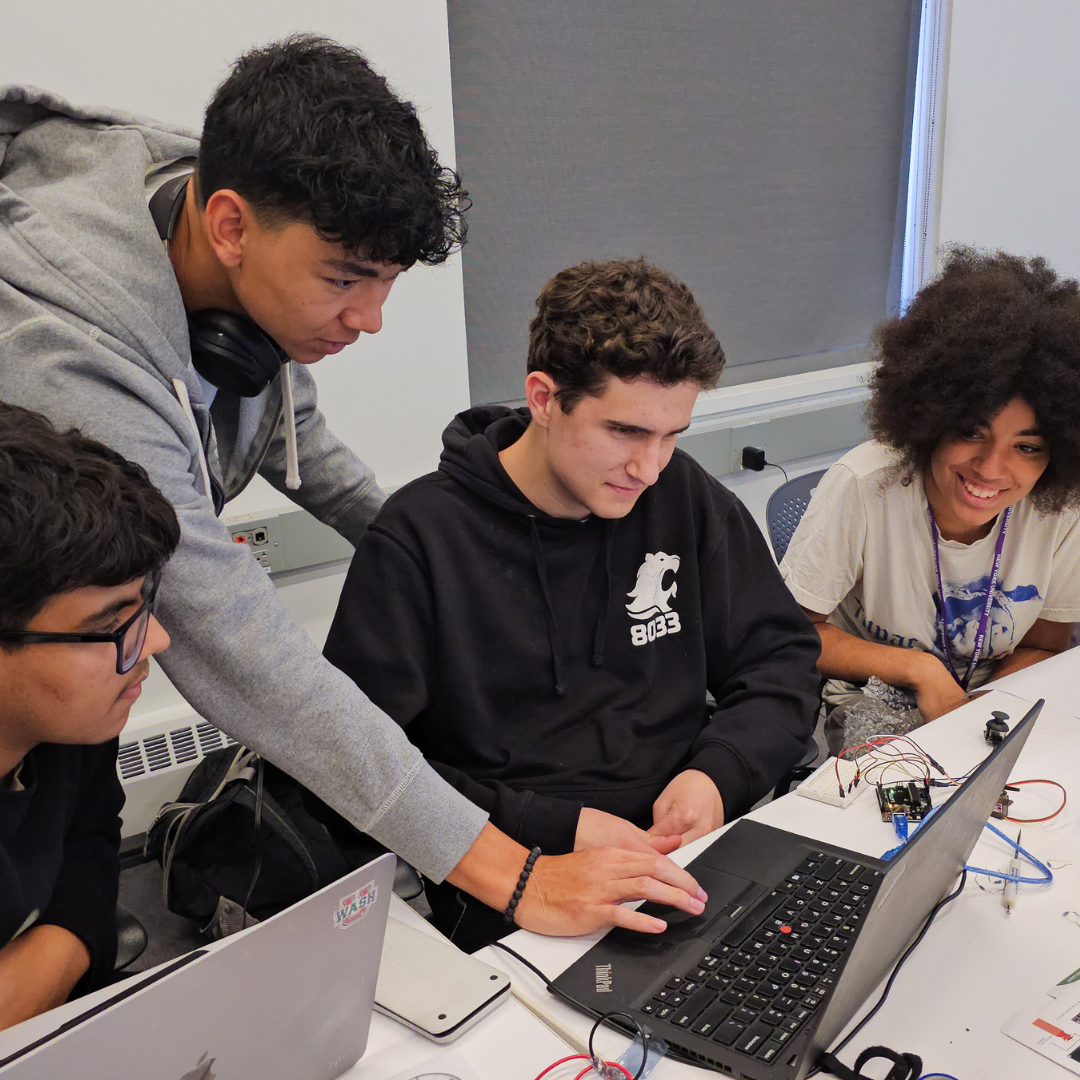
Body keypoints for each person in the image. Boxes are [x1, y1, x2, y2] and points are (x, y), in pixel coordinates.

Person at [0, 39, 702, 938]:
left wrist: (439, 542)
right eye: (344, 282)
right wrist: (515, 875)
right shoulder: (64, 359)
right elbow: (244, 652)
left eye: (385, 286)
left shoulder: (220, 233)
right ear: (229, 228)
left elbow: (303, 444)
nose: (369, 321)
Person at [324, 258, 822, 949]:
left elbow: (782, 659)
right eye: (624, 432)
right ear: (543, 397)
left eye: (672, 434)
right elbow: (362, 766)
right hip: (514, 883)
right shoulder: (420, 540)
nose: (649, 469)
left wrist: (716, 775)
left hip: (688, 855)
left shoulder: (682, 495)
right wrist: (557, 827)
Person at [780, 247, 1080, 755]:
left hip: (997, 694)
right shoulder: (865, 484)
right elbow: (791, 633)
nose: (990, 468)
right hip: (875, 694)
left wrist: (984, 704)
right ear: (930, 418)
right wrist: (918, 669)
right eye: (971, 431)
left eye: (1026, 446)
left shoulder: (1062, 508)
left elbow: (1044, 643)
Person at [0, 401, 178, 1030]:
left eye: (140, 606)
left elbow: (91, 843)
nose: (153, 641)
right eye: (109, 624)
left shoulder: (73, 727)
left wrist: (57, 947)